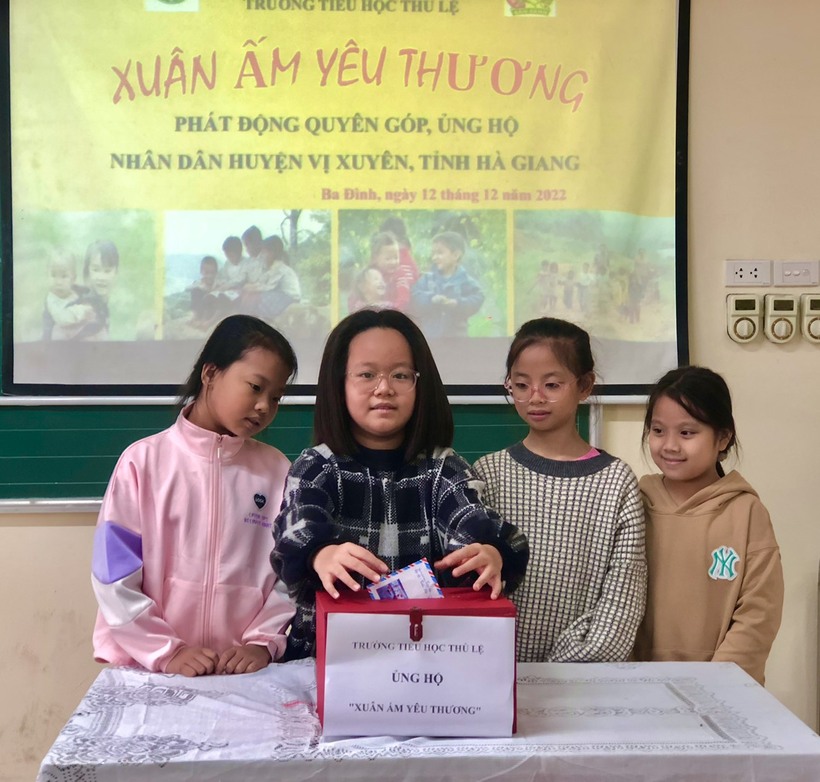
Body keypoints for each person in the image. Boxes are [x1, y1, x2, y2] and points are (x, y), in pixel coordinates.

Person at [272, 308, 529, 659]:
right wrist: (319, 552)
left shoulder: (443, 468)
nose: (384, 388)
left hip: (425, 658)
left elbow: (472, 521)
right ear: (339, 384)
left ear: (421, 385)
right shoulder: (317, 466)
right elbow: (294, 528)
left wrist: (489, 552)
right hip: (326, 657)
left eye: (400, 375)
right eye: (366, 374)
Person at [91, 315, 298, 677]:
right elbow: (113, 575)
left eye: (275, 397)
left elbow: (290, 571)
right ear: (210, 373)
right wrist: (166, 652)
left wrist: (262, 643)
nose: (264, 406)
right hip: (149, 668)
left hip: (242, 671)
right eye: (255, 387)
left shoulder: (277, 471)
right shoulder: (143, 463)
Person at [473, 317, 646, 663]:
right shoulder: (488, 474)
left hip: (580, 679)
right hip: (494, 671)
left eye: (552, 385)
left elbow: (622, 603)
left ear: (585, 385)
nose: (535, 398)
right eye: (521, 385)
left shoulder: (616, 482)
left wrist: (562, 673)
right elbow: (472, 588)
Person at [632, 366, 783, 685]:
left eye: (687, 433)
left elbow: (758, 612)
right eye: (658, 430)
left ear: (723, 437)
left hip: (721, 690)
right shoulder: (634, 503)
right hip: (637, 685)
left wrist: (718, 682)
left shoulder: (746, 512)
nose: (670, 445)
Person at [411, 231, 484, 338]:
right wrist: (431, 299)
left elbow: (478, 297)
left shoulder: (465, 281)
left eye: (439, 253)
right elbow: (415, 296)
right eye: (433, 253)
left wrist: (458, 303)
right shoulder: (427, 279)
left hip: (457, 338)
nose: (434, 257)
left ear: (456, 255)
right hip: (431, 338)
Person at [42, 251, 97, 340]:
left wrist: (89, 313)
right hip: (63, 337)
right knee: (57, 334)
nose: (58, 282)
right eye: (53, 275)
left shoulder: (76, 293)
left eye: (64, 276)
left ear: (73, 279)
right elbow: (62, 318)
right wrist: (83, 311)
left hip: (79, 332)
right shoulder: (52, 299)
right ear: (47, 276)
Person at [188, 255, 220, 328]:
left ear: (216, 272)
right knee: (196, 291)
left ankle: (204, 320)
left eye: (212, 273)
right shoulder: (199, 282)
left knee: (210, 296)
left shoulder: (218, 282)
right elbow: (189, 288)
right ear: (201, 272)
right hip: (201, 308)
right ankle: (195, 315)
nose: (209, 276)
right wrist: (202, 286)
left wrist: (212, 290)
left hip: (212, 308)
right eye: (206, 273)